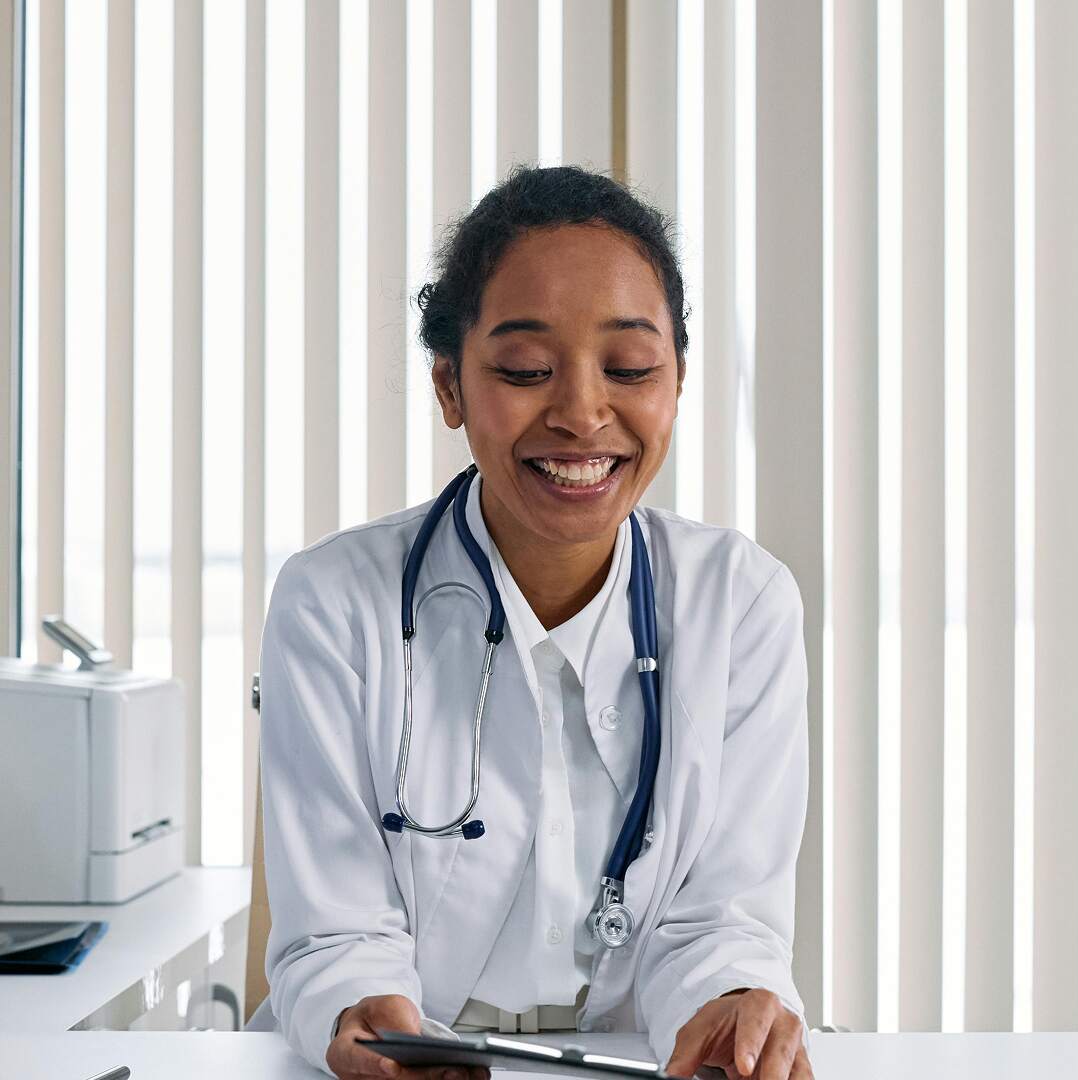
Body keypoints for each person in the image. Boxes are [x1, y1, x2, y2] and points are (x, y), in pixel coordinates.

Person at [255, 166, 814, 1080]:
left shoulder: (741, 604)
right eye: (523, 371)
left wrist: (733, 1007)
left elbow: (721, 921)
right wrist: (367, 1015)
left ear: (677, 381)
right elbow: (336, 936)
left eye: (630, 368)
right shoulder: (333, 604)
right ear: (449, 387)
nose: (582, 412)